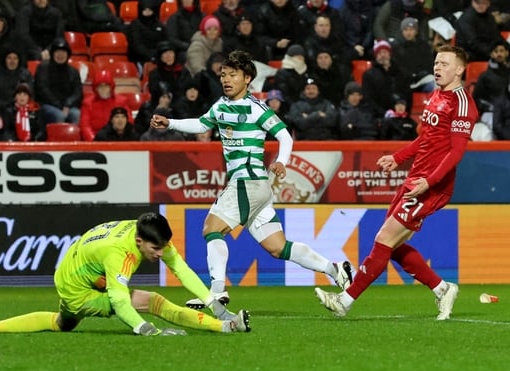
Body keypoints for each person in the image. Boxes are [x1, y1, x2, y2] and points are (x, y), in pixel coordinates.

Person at [149, 50, 353, 316]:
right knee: (278, 247)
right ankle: (334, 268)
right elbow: (201, 125)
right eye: (223, 74)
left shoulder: (257, 108)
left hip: (248, 181)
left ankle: (217, 290)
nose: (226, 79)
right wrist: (171, 123)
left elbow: (286, 137)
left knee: (211, 229)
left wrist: (282, 161)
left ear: (247, 78)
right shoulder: (220, 105)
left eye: (233, 75)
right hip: (255, 188)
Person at [315, 45, 478, 320]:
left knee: (383, 239)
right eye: (436, 62)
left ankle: (345, 300)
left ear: (460, 69)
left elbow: (456, 153)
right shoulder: (437, 95)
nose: (437, 68)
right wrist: (398, 157)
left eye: (445, 64)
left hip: (431, 186)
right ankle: (442, 288)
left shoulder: (462, 103)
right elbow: (426, 140)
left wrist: (429, 181)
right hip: (415, 179)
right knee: (390, 245)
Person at [0, 212, 251, 335]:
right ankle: (225, 328)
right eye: (156, 249)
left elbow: (182, 270)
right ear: (140, 242)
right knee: (152, 302)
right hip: (76, 287)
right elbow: (119, 301)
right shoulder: (120, 254)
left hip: (81, 267)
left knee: (62, 324)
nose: (161, 254)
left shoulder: (149, 232)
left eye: (164, 247)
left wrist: (214, 303)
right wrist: (145, 329)